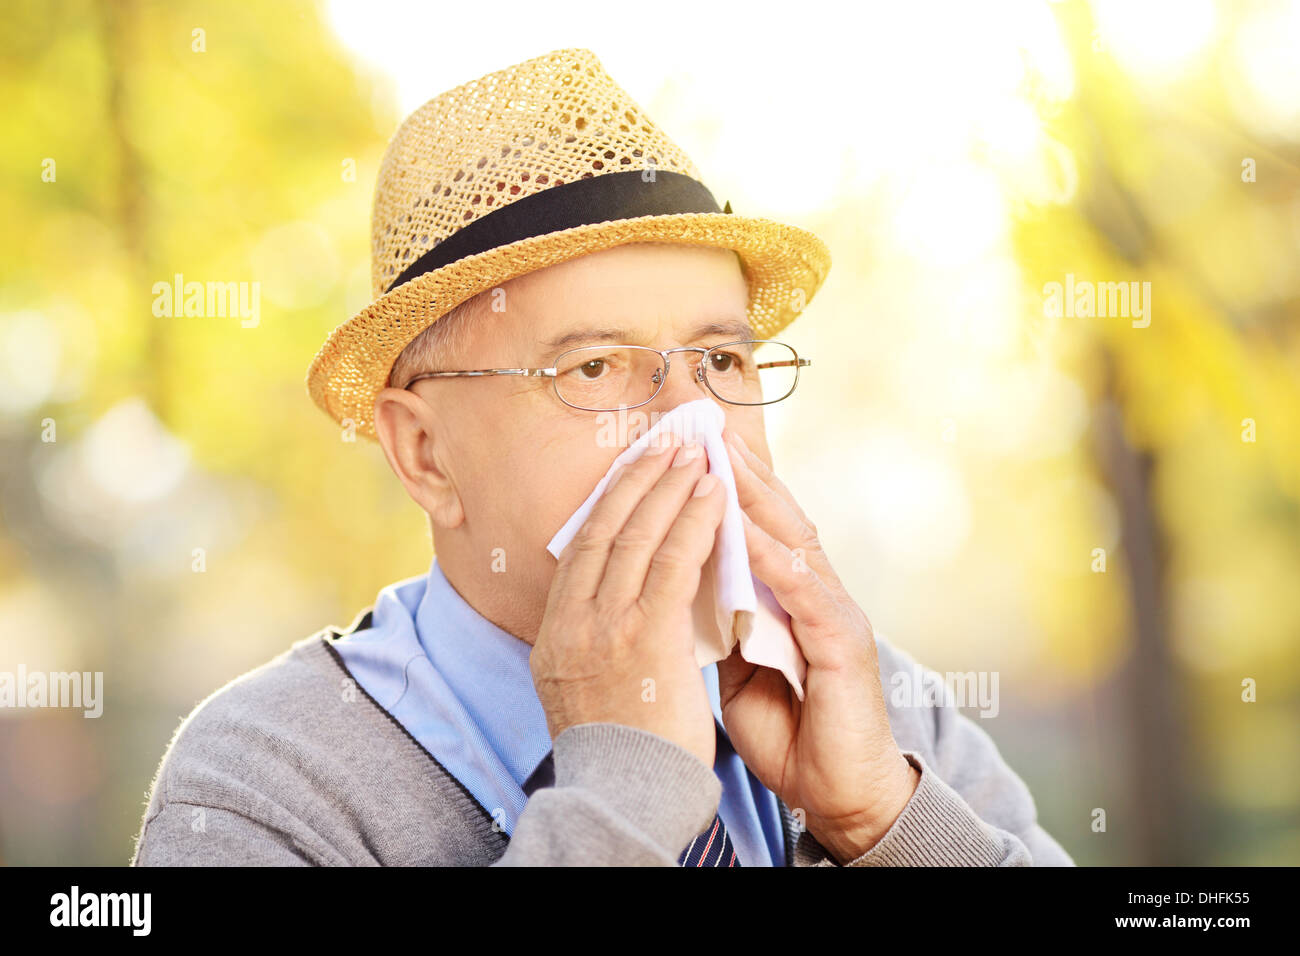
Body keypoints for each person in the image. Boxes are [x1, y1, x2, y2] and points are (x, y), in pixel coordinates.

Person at [131, 48, 1073, 867]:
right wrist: (624, 795)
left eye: (720, 360)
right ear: (425, 454)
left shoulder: (869, 701)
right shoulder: (264, 779)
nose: (690, 421)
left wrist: (882, 821)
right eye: (591, 368)